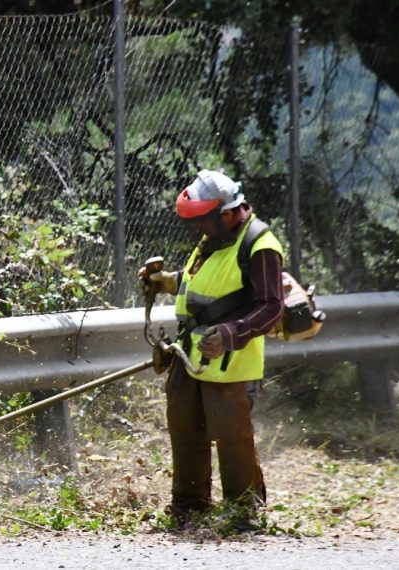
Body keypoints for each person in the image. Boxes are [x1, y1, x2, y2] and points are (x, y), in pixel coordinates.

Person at [139, 169, 284, 527]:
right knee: (185, 428)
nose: (199, 228)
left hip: (229, 361)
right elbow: (199, 282)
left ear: (229, 212)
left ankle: (243, 511)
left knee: (231, 436)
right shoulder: (214, 239)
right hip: (190, 354)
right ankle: (189, 507)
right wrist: (165, 282)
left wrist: (232, 334)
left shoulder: (260, 245)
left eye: (204, 220)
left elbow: (271, 306)